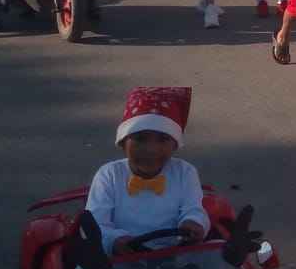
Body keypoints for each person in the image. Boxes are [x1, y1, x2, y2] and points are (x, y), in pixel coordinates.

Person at [86, 87, 208, 256]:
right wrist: (114, 240)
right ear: (122, 143)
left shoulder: (185, 172)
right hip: (121, 260)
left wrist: (193, 223)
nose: (151, 150)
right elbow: (95, 225)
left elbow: (194, 209)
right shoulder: (109, 175)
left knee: (220, 250)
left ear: (175, 146)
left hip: (174, 257)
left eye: (163, 140)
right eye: (139, 139)